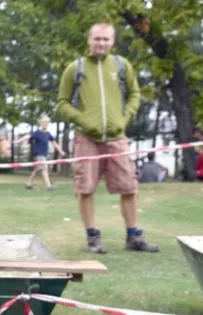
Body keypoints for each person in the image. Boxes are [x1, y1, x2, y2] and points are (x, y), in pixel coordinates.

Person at [56, 22, 158, 254]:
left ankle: (133, 236)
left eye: (106, 39)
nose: (101, 43)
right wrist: (83, 121)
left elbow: (134, 94)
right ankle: (93, 237)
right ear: (89, 40)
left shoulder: (122, 66)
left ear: (112, 42)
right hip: (86, 138)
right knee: (85, 188)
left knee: (129, 187)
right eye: (97, 39)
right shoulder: (76, 68)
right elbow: (62, 103)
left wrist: (124, 119)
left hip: (117, 137)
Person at [15, 116, 66, 190]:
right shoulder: (37, 133)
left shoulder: (48, 134)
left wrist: (61, 151)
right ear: (41, 123)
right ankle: (49, 186)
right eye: (44, 122)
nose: (46, 124)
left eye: (47, 123)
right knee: (44, 168)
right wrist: (18, 141)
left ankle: (28, 184)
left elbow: (54, 143)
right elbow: (27, 136)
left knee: (37, 169)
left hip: (44, 154)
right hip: (39, 154)